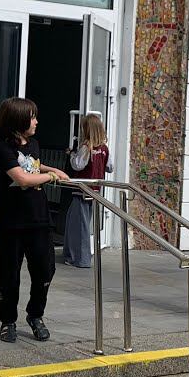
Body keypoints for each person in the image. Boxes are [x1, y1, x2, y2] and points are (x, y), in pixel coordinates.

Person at [0, 97, 69, 343]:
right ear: (18, 120)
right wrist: (51, 178)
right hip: (12, 222)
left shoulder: (33, 144)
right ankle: (8, 321)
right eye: (32, 117)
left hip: (39, 219)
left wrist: (51, 169)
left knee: (45, 270)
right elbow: (23, 178)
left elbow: (33, 166)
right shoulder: (4, 149)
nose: (36, 122)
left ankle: (35, 315)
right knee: (10, 274)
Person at [64, 113, 110, 268]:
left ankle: (81, 259)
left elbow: (78, 165)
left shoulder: (86, 147)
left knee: (79, 225)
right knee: (78, 222)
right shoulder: (104, 149)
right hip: (95, 191)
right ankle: (73, 254)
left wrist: (71, 154)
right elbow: (110, 167)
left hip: (82, 190)